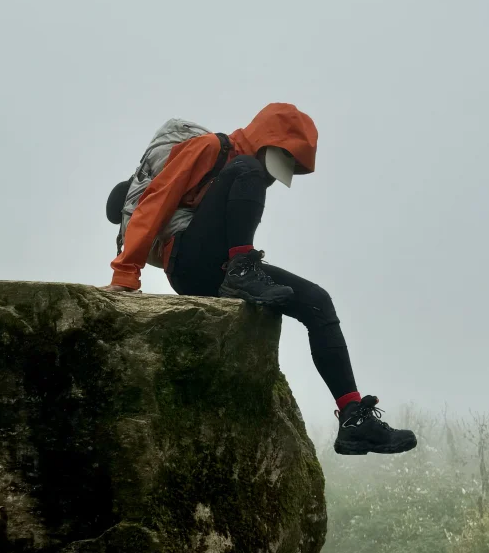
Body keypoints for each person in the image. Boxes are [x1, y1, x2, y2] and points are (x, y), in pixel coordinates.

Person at [103, 103, 417, 456]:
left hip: (221, 266)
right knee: (246, 169)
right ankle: (241, 270)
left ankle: (354, 421)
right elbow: (156, 202)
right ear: (265, 140)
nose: (273, 178)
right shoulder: (214, 150)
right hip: (189, 264)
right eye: (279, 163)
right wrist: (126, 273)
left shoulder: (244, 172)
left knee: (317, 300)